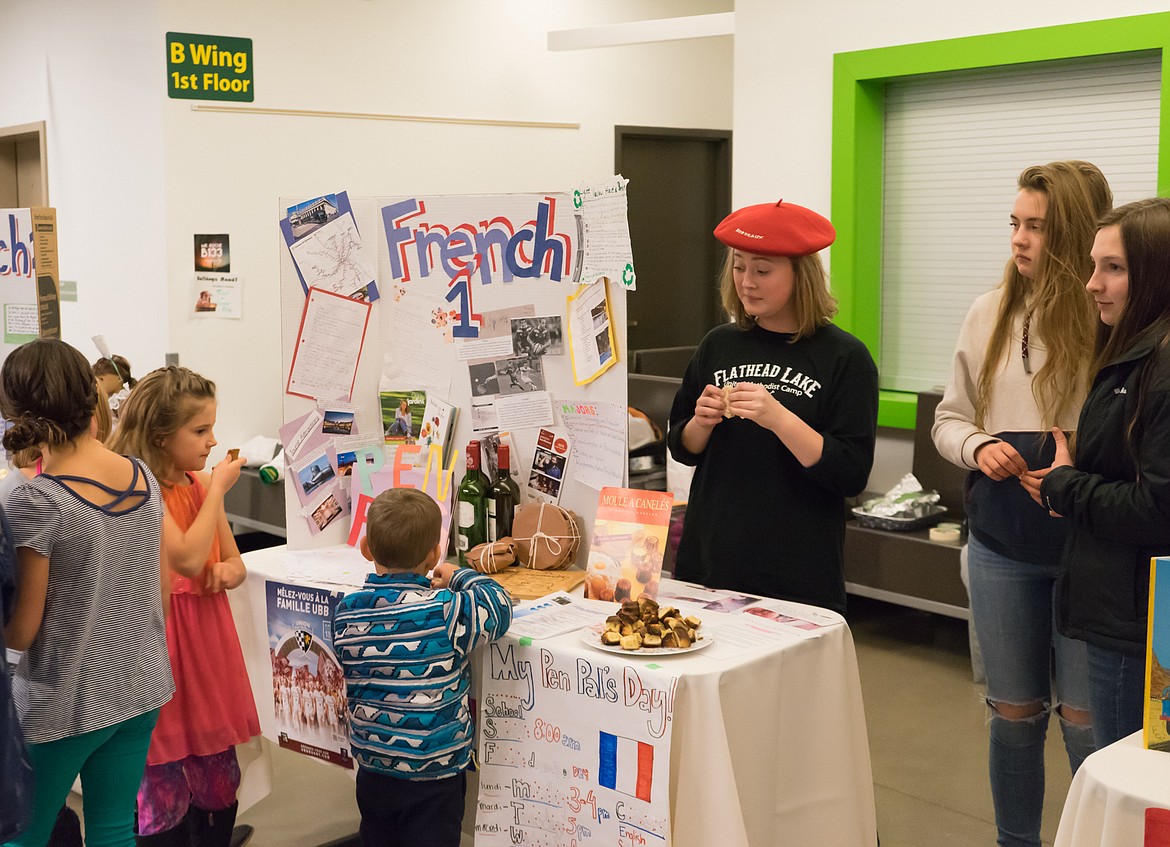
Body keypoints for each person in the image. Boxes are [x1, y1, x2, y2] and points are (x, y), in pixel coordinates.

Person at [933, 161, 1111, 846]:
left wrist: (1077, 468)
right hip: (1002, 549)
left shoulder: (1113, 323)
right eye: (1014, 223)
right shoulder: (989, 312)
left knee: (1087, 721)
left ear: (1070, 235)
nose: (1018, 238)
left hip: (1088, 551)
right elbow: (948, 419)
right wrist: (979, 446)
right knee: (1012, 715)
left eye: (1035, 226)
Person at [0, 339, 173, 847]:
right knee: (114, 830)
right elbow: (157, 589)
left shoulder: (35, 497)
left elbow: (23, 631)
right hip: (141, 686)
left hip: (64, 702)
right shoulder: (143, 477)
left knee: (21, 837)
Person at [666, 199, 878, 615]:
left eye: (762, 270)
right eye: (739, 266)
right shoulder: (718, 344)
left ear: (802, 276)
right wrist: (702, 422)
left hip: (797, 571)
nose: (747, 281)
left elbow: (851, 472)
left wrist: (778, 417)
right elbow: (681, 446)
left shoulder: (845, 358)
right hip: (711, 560)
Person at [1026, 197, 1170, 750]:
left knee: (1133, 788)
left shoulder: (1159, 368)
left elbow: (1158, 508)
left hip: (1137, 621)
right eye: (1093, 266)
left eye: (1113, 268)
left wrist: (1066, 485)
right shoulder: (1139, 354)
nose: (1092, 284)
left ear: (1157, 275)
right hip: (1135, 609)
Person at [107, 366, 260, 847]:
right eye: (199, 430)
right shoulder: (137, 488)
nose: (212, 441)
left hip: (208, 652)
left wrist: (228, 573)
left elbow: (231, 562)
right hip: (163, 652)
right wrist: (217, 488)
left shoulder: (196, 485)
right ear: (159, 434)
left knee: (218, 781)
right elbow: (189, 556)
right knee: (161, 787)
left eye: (212, 427)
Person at [333, 488, 512, 847]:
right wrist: (459, 575)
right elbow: (499, 606)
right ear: (434, 555)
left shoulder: (346, 612)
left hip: (374, 767)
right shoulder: (445, 611)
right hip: (436, 774)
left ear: (367, 548)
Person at [93, 355, 135, 427]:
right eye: (96, 380)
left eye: (101, 379)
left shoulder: (122, 399)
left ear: (119, 378)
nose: (98, 384)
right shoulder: (104, 398)